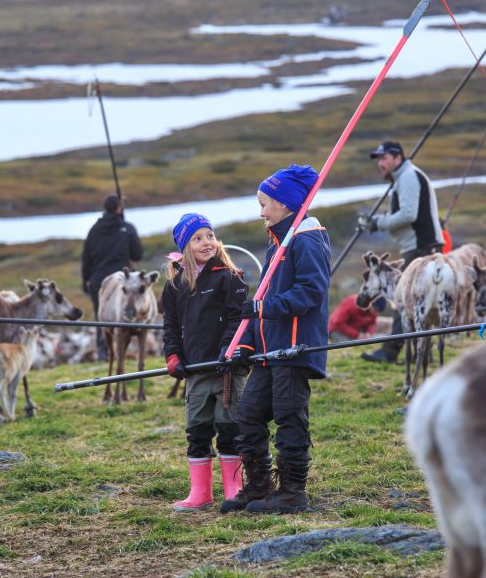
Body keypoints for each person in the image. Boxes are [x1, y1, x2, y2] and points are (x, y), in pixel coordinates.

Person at [221, 164, 331, 515]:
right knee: (248, 414)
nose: (261, 211)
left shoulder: (307, 238)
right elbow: (260, 307)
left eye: (265, 202)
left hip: (295, 349)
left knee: (289, 417)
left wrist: (266, 306)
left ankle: (293, 493)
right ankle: (259, 486)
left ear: (285, 204)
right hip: (269, 354)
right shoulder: (277, 246)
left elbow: (312, 292)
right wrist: (245, 346)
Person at [162, 213, 249, 512]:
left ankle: (234, 490)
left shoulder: (229, 277)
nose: (206, 242)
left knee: (230, 429)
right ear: (186, 245)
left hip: (228, 371)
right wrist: (173, 356)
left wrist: (229, 349)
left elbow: (239, 319)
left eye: (210, 235)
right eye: (198, 238)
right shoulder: (174, 286)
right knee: (197, 430)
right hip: (196, 372)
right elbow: (170, 326)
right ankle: (200, 493)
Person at [358, 141, 444, 364]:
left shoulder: (408, 178)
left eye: (384, 157)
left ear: (398, 157)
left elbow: (408, 214)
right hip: (418, 247)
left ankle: (391, 351)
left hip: (422, 248)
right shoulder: (403, 178)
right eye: (378, 158)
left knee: (403, 299)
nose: (380, 163)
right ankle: (422, 352)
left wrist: (378, 223)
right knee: (412, 300)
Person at [81, 195, 143, 360]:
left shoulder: (94, 230)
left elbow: (86, 258)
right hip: (122, 279)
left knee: (100, 315)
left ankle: (104, 352)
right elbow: (137, 254)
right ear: (119, 208)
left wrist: (85, 280)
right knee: (124, 314)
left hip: (97, 279)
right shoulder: (127, 228)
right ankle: (122, 351)